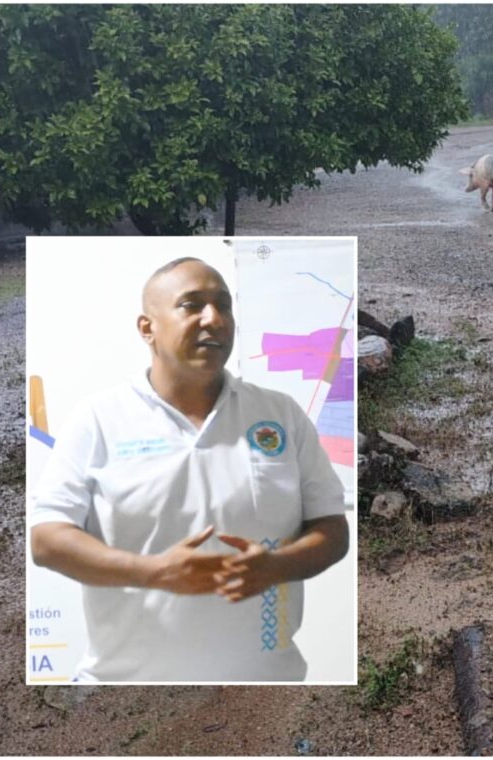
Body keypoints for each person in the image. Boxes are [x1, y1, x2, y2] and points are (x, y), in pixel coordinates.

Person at [30, 257, 349, 682]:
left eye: (224, 305)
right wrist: (154, 572)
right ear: (147, 328)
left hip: (267, 686)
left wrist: (277, 566)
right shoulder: (98, 419)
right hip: (124, 693)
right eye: (192, 305)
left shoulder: (281, 414)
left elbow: (332, 529)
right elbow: (47, 539)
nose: (213, 319)